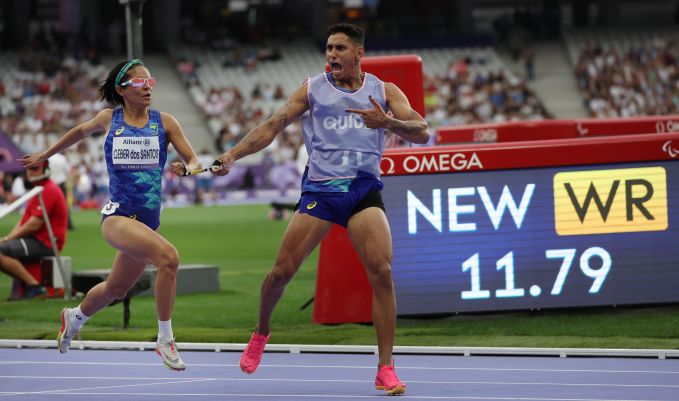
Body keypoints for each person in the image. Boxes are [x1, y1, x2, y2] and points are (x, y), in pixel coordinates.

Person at [213, 23, 429, 395]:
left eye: (340, 49)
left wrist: (387, 122)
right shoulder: (313, 88)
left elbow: (422, 131)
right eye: (328, 48)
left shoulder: (384, 91)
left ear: (358, 53)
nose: (331, 55)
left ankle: (385, 368)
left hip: (362, 190)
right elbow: (274, 125)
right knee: (280, 274)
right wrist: (232, 154)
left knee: (382, 271)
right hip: (322, 190)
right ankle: (262, 331)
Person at [22, 59, 204, 371]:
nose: (147, 87)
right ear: (121, 90)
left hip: (147, 223)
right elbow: (79, 132)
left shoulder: (165, 122)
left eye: (151, 81)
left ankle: (75, 316)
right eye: (139, 83)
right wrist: (44, 155)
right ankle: (165, 339)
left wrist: (185, 168)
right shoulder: (110, 118)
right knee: (169, 258)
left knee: (116, 289)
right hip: (118, 217)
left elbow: (195, 162)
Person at [0, 159, 68, 299]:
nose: (30, 172)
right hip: (35, 239)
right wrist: (6, 239)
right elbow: (23, 221)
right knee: (3, 248)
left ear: (46, 170)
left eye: (35, 168)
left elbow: (33, 225)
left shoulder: (48, 189)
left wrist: (7, 239)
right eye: (28, 168)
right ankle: (25, 289)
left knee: (1, 251)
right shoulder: (38, 190)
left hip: (47, 242)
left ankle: (34, 286)